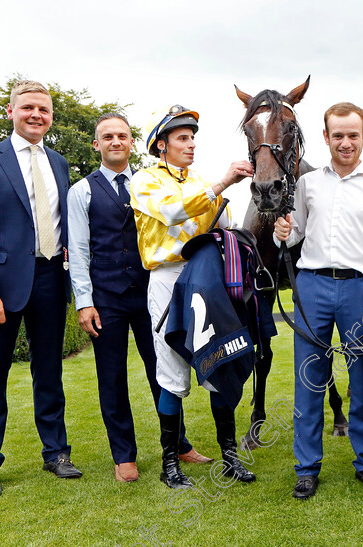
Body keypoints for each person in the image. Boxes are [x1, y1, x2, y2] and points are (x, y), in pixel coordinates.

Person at [67, 113, 211, 484]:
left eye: (123, 135)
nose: (116, 141)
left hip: (151, 290)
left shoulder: (153, 183)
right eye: (107, 136)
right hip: (107, 297)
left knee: (163, 369)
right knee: (111, 377)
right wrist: (84, 301)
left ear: (132, 143)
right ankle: (123, 455)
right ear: (96, 144)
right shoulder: (81, 191)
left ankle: (178, 444)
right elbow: (79, 252)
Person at [274, 102, 363, 500]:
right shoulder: (307, 185)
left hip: (361, 290)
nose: (345, 142)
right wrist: (284, 231)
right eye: (337, 135)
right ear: (326, 137)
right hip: (312, 286)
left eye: (353, 135)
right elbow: (293, 238)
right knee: (309, 380)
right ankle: (306, 468)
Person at [0, 80, 81, 498]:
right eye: (28, 107)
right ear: (10, 112)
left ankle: (57, 453)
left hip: (50, 278)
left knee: (49, 372)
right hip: (0, 286)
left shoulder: (60, 163)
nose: (36, 115)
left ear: (51, 117)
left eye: (43, 110)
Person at [130, 105, 255, 489]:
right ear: (161, 145)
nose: (191, 144)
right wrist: (220, 185)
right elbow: (171, 213)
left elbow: (226, 226)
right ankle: (171, 464)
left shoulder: (197, 179)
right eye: (182, 138)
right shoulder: (145, 180)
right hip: (167, 281)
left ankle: (230, 455)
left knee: (220, 358)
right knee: (171, 371)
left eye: (192, 137)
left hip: (207, 281)